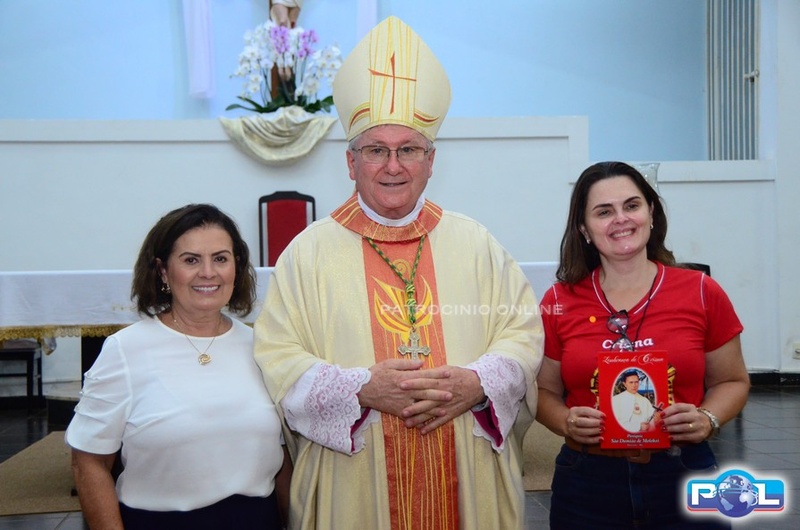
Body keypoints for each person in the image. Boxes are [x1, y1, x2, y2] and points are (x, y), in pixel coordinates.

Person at [253, 16, 543, 530]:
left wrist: (477, 383)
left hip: (465, 466)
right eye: (376, 151)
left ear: (431, 160)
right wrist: (360, 389)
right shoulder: (307, 254)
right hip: (356, 477)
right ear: (351, 163)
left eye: (408, 149)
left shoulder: (476, 243)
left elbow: (521, 332)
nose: (393, 166)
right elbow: (278, 357)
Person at [536, 161, 750, 529]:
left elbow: (732, 381)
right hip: (587, 481)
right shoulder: (559, 300)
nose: (621, 219)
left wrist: (708, 418)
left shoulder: (701, 291)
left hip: (684, 471)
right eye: (604, 211)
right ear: (584, 228)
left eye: (632, 205)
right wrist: (565, 421)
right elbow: (542, 391)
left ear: (651, 213)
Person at [65, 204, 291, 530]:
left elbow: (282, 458)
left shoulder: (261, 346)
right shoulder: (126, 349)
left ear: (237, 267)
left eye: (220, 258)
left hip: (256, 520)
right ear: (162, 271)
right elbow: (88, 462)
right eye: (191, 260)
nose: (208, 272)